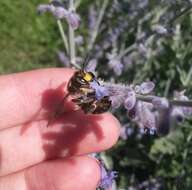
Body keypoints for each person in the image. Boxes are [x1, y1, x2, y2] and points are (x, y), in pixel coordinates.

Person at [0, 68, 120, 190]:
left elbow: (90, 80)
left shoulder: (84, 82)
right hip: (92, 104)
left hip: (98, 103)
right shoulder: (78, 91)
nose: (87, 79)